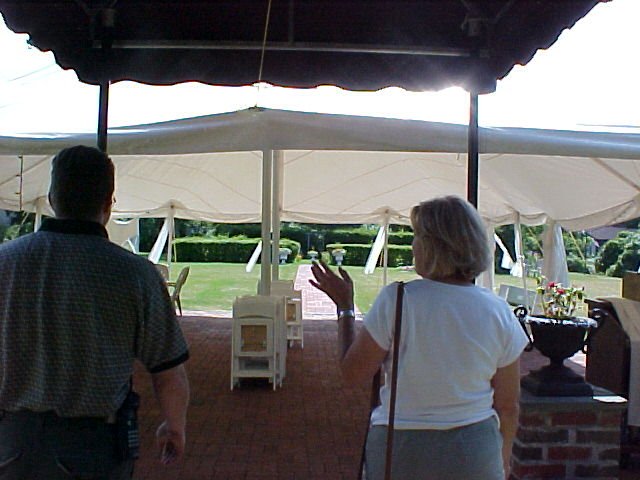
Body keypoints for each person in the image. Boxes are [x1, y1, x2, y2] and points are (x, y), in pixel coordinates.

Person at [0, 146, 190, 480]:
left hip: (13, 444)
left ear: (53, 198)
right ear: (108, 203)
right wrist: (174, 426)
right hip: (93, 449)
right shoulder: (135, 275)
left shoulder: (6, 262)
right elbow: (168, 371)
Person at [310, 195, 528, 480]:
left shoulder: (398, 299)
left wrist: (345, 309)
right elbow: (508, 406)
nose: (413, 245)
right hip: (475, 451)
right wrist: (503, 458)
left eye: (417, 236)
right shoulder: (498, 311)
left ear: (432, 245)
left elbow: (352, 373)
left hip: (402, 447)